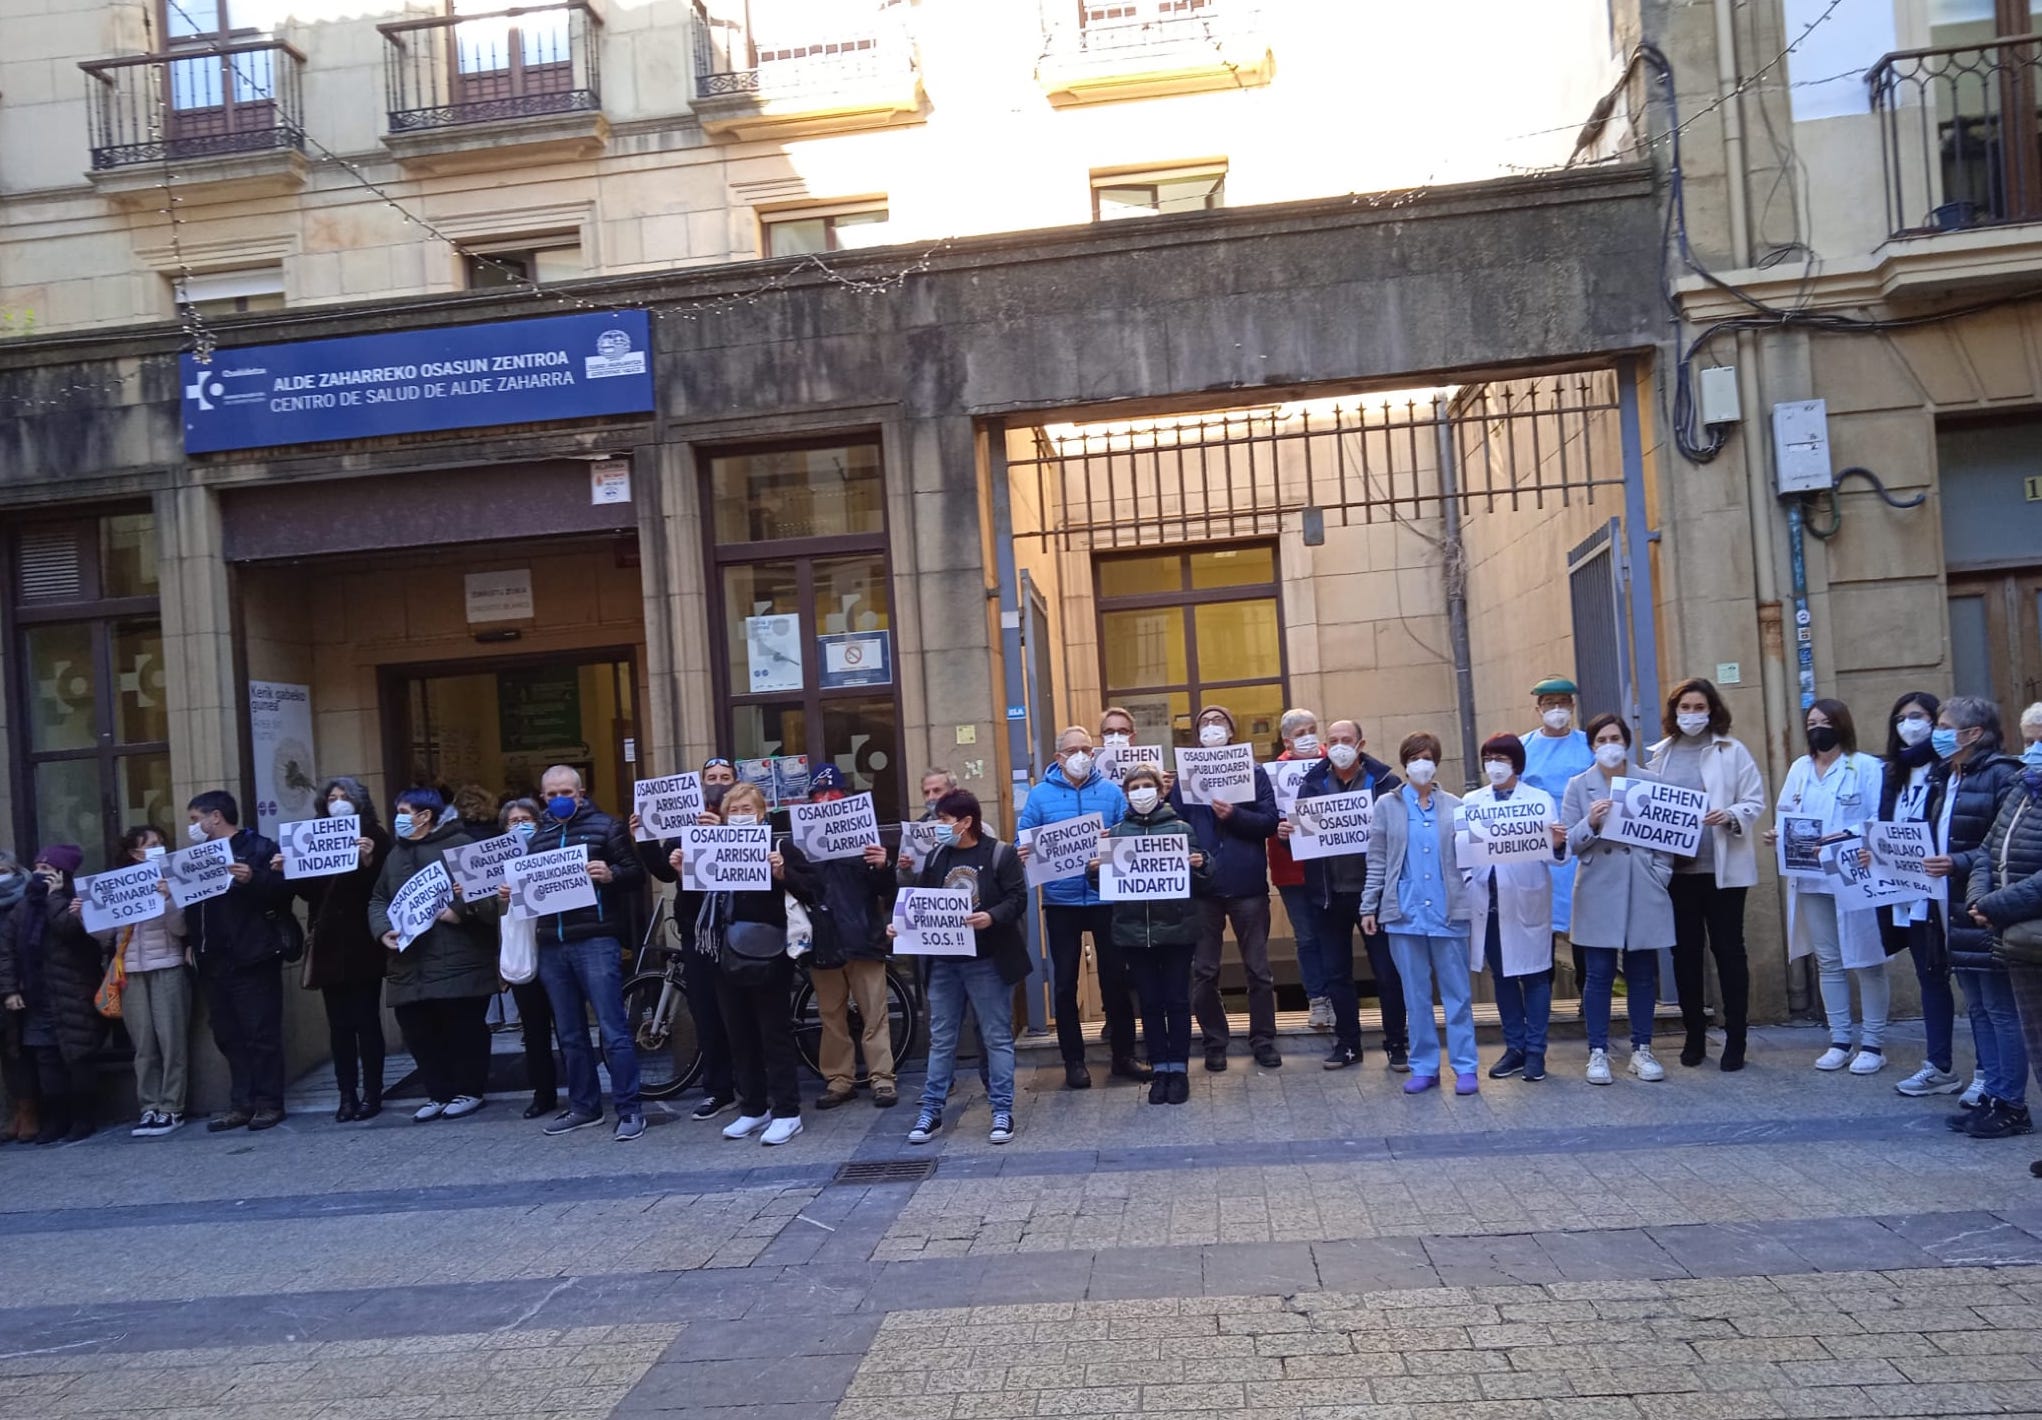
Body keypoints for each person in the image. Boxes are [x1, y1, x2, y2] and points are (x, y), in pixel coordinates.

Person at [1645, 678, 1767, 1072]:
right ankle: (1694, 1033)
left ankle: (1736, 1038)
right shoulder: (1661, 754)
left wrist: (1730, 815)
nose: (1692, 715)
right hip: (1679, 872)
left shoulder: (1732, 751)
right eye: (1685, 707)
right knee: (1685, 954)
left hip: (1722, 871)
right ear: (1674, 711)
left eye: (1700, 707)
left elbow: (1754, 799)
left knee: (1729, 952)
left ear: (1712, 709)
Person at [520, 765, 647, 1142]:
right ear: (543, 797)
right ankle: (584, 1107)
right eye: (552, 794)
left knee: (613, 1028)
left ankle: (629, 1109)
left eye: (567, 793)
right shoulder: (538, 837)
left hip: (595, 940)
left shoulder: (608, 827)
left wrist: (611, 875)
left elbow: (635, 874)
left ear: (581, 792)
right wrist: (513, 891)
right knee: (570, 1033)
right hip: (552, 945)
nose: (560, 799)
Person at [897, 788, 1028, 1144]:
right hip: (944, 964)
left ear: (966, 822)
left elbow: (1019, 898)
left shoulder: (1000, 854)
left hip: (987, 961)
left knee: (996, 1037)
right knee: (941, 1040)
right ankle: (931, 1111)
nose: (938, 827)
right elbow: (920, 901)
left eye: (944, 820)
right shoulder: (938, 855)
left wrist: (991, 916)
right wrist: (902, 925)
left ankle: (1002, 1110)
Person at [1768, 700, 1891, 1076]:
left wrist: (1847, 835)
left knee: (1868, 959)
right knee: (1829, 960)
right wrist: (1778, 835)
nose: (1818, 728)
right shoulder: (1800, 769)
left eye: (1825, 721)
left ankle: (1873, 1042)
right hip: (1810, 878)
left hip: (1853, 875)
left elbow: (1877, 819)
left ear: (1842, 725)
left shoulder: (1866, 767)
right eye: (1811, 722)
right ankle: (1840, 1039)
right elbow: (1787, 813)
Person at [1017, 725, 1143, 1089]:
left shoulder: (1110, 792)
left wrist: (1114, 837)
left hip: (1106, 899)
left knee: (1116, 981)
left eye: (1086, 748)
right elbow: (1021, 841)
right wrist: (1022, 850)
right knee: (1064, 984)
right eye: (1073, 749)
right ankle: (1074, 1061)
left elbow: (1131, 831)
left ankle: (1124, 1056)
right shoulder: (1039, 797)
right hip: (1061, 902)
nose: (1080, 755)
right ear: (1058, 757)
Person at [1928, 696, 2028, 1136]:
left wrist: (1959, 864)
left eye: (1946, 725)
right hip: (1954, 905)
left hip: (1985, 906)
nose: (1938, 732)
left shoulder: (2001, 775)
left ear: (1973, 733)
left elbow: (2000, 844)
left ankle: (2012, 1103)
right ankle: (1991, 1094)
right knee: (1980, 1009)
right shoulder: (1949, 775)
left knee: (2001, 1009)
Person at [371, 788, 500, 1122]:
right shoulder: (395, 856)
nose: (398, 817)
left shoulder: (461, 847)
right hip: (409, 964)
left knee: (463, 1028)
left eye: (403, 810)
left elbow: (488, 899)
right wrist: (382, 928)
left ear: (424, 816)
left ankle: (469, 1089)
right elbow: (378, 899)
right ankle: (437, 1092)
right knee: (418, 1030)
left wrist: (459, 911)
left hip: (458, 959)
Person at [1359, 734, 1478, 1095]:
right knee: (1415, 995)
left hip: (1447, 912)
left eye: (1426, 757)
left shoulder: (1456, 806)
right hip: (1403, 912)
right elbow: (1377, 858)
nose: (1420, 764)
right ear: (1405, 763)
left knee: (1457, 995)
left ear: (1436, 762)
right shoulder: (1387, 806)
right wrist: (1370, 904)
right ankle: (1424, 1066)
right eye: (1413, 758)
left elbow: (1471, 858)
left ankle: (1466, 1066)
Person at [1290, 719, 1407, 1071]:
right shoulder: (1312, 783)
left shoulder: (1385, 782)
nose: (1340, 745)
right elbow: (1303, 835)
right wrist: (1287, 833)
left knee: (1387, 973)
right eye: (1334, 740)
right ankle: (1347, 1043)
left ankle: (1397, 1043)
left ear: (1360, 743)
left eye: (1347, 739)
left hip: (1374, 895)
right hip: (1328, 896)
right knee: (1337, 973)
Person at [1563, 714, 1673, 1086]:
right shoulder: (1578, 786)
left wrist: (1660, 874)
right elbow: (1567, 845)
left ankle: (1642, 1049)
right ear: (1592, 746)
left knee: (1642, 973)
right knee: (1598, 974)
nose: (1609, 744)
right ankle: (1598, 1050)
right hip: (1597, 888)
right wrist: (1590, 823)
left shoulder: (1651, 782)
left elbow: (1666, 839)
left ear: (1626, 741)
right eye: (1601, 739)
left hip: (1642, 886)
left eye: (1615, 737)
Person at [1092, 766, 1212, 1104]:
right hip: (1134, 934)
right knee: (1149, 1003)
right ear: (1127, 794)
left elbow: (1206, 880)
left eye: (1147, 786)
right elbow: (1106, 889)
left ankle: (1180, 1071)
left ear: (1160, 791)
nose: (1141, 792)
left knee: (1176, 1001)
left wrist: (1201, 864)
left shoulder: (1181, 830)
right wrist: (1094, 871)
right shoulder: (1115, 833)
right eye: (1134, 787)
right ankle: (1160, 1070)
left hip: (1177, 932)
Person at [1172, 704, 1281, 1072]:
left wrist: (1234, 815)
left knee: (1259, 969)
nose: (1212, 727)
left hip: (1247, 887)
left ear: (1231, 731)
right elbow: (1173, 825)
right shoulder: (1186, 778)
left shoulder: (1255, 773)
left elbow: (1269, 821)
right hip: (1203, 891)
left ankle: (1263, 1039)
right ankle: (1215, 1041)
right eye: (1205, 722)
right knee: (1203, 971)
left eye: (1219, 722)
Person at [710, 781, 816, 1146]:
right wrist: (681, 865)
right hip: (729, 949)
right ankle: (754, 1107)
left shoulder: (780, 846)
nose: (740, 817)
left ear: (763, 812)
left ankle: (787, 1112)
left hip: (772, 950)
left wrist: (783, 873)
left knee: (774, 1033)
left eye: (747, 810)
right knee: (739, 1033)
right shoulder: (714, 847)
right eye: (734, 811)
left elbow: (813, 889)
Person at [285, 777, 391, 1123]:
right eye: (332, 797)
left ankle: (373, 1093)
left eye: (345, 797)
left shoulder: (374, 835)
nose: (339, 802)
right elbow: (306, 890)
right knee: (339, 1026)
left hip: (362, 942)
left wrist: (367, 860)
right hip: (329, 943)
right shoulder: (312, 836)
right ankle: (346, 1094)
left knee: (366, 1021)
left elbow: (381, 887)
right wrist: (287, 868)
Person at [185, 791, 292, 1131]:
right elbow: (195, 906)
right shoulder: (195, 857)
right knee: (229, 1035)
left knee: (261, 1033)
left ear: (215, 817)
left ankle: (269, 1102)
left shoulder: (259, 848)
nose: (192, 827)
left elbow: (284, 891)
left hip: (253, 955)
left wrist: (253, 879)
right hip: (213, 960)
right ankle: (241, 1103)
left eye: (194, 819)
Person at [1464, 735, 1567, 1083]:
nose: (1494, 764)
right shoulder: (1471, 801)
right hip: (1488, 903)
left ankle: (1536, 1051)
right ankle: (1516, 1047)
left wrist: (1556, 843)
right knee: (1504, 978)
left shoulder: (1538, 801)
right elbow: (1462, 852)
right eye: (1488, 757)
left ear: (1516, 764)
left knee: (1536, 975)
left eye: (1501, 758)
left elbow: (1554, 856)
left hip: (1527, 900)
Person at [1879, 692, 1963, 1098]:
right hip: (1909, 892)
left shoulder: (1950, 769)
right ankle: (1939, 1065)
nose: (1909, 725)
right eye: (1901, 718)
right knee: (1930, 976)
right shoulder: (1893, 772)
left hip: (1949, 889)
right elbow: (1885, 825)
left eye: (1918, 717)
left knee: (1976, 984)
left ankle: (1988, 1073)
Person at [802, 764, 900, 1111]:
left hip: (862, 937)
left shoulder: (864, 842)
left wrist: (882, 865)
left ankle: (882, 1079)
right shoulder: (803, 846)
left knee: (875, 1013)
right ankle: (839, 1080)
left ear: (844, 798)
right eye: (819, 795)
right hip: (825, 942)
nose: (826, 800)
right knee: (831, 1015)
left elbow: (887, 890)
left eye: (833, 794)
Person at [1967, 727, 2042, 1173]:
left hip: (2020, 919)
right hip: (2018, 936)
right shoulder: (2021, 790)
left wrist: (1995, 905)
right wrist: (1980, 898)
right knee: (2038, 1039)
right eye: (2029, 740)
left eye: (2039, 740)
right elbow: (1986, 851)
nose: (2031, 750)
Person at [633, 797, 734, 1122]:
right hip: (696, 932)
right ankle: (718, 1089)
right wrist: (646, 839)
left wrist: (721, 835)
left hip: (739, 932)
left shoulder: (741, 824)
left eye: (723, 777)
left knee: (744, 1013)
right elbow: (662, 871)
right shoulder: (681, 836)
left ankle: (753, 1085)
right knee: (705, 1012)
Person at [0, 846, 103, 1142]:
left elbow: (69, 930)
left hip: (73, 994)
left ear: (62, 874)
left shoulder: (75, 900)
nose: (39, 874)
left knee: (78, 1059)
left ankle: (84, 1119)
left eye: (47, 869)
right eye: (37, 867)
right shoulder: (23, 907)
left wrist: (54, 897)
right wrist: (9, 990)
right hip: (36, 998)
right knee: (47, 1061)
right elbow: (6, 951)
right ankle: (56, 1120)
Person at [104, 826, 190, 1136]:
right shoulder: (117, 883)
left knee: (171, 1041)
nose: (157, 848)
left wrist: (170, 898)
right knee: (143, 1046)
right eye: (150, 845)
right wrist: (84, 914)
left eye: (160, 843)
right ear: (134, 853)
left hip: (167, 965)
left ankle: (172, 1108)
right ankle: (149, 1107)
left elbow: (181, 930)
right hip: (130, 971)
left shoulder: (173, 879)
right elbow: (103, 935)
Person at [1522, 676, 1596, 988]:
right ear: (1538, 708)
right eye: (1549, 704)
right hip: (1541, 847)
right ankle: (1540, 996)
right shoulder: (1524, 747)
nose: (1556, 709)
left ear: (1573, 707)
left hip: (1580, 843)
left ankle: (1588, 995)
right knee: (1542, 927)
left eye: (1562, 703)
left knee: (1583, 925)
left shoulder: (1587, 745)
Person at [1269, 709, 1331, 1028]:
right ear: (1286, 740)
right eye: (1300, 732)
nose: (1308, 736)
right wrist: (1276, 828)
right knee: (1306, 937)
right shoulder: (1273, 774)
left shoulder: (1334, 765)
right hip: (1291, 869)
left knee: (1331, 935)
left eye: (1312, 729)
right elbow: (1266, 816)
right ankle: (1318, 1000)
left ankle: (1337, 996)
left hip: (1330, 869)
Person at [501, 798, 561, 1119]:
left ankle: (580, 1090)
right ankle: (542, 1093)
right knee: (534, 1029)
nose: (519, 824)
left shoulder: (551, 849)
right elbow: (481, 909)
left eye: (526, 818)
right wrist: (499, 899)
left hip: (553, 945)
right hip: (521, 951)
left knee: (567, 1025)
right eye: (513, 821)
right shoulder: (495, 861)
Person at [0, 852, 34, 1144]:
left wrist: (11, 989)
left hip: (18, 984)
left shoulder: (26, 894)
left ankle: (28, 1111)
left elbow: (9, 950)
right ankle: (15, 1113)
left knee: (17, 1051)